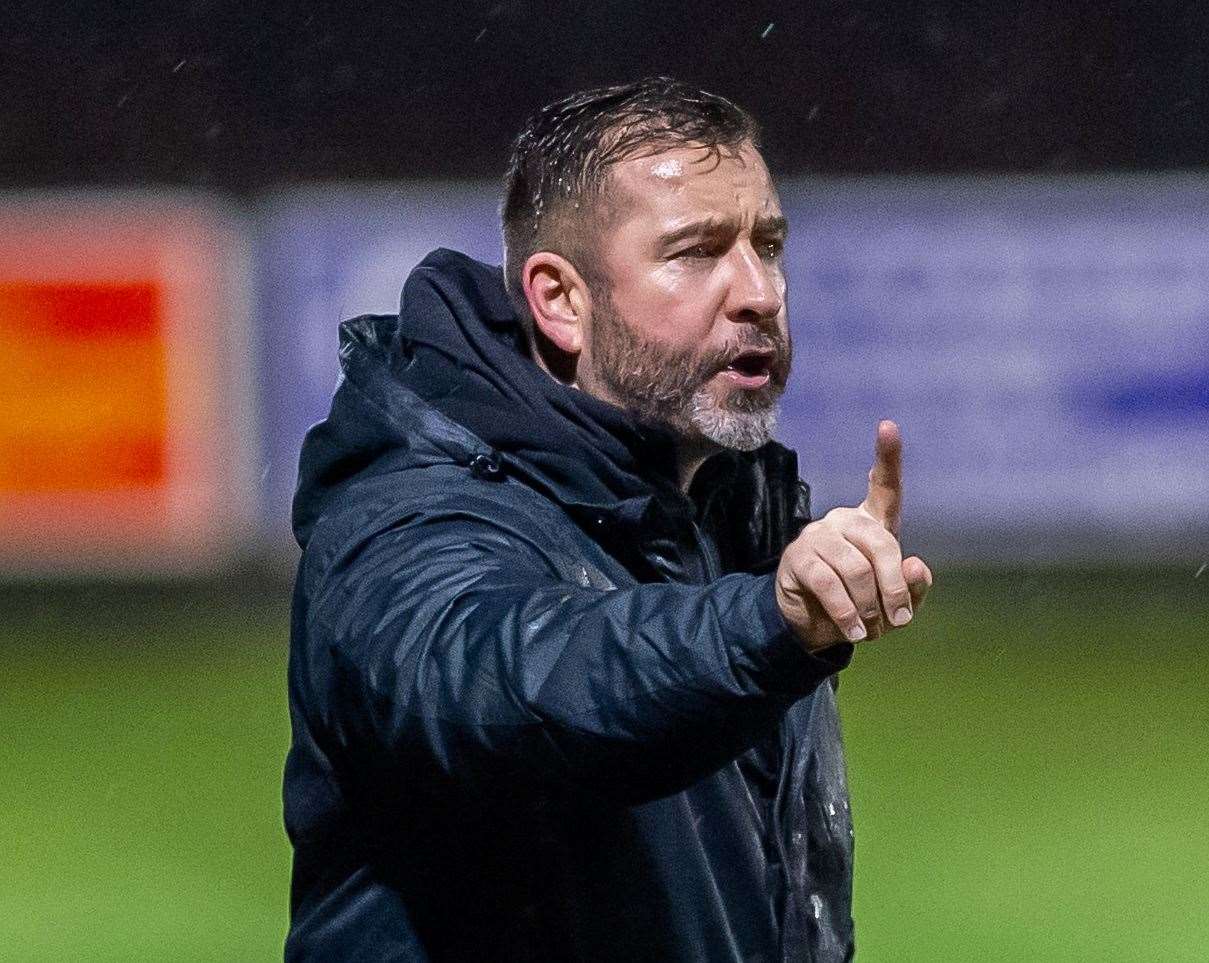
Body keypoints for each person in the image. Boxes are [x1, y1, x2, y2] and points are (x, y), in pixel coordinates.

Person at [283, 76, 932, 962]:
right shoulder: (405, 514)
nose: (759, 292)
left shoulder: (725, 506)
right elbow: (511, 685)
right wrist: (764, 623)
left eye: (767, 245)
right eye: (696, 251)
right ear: (559, 300)